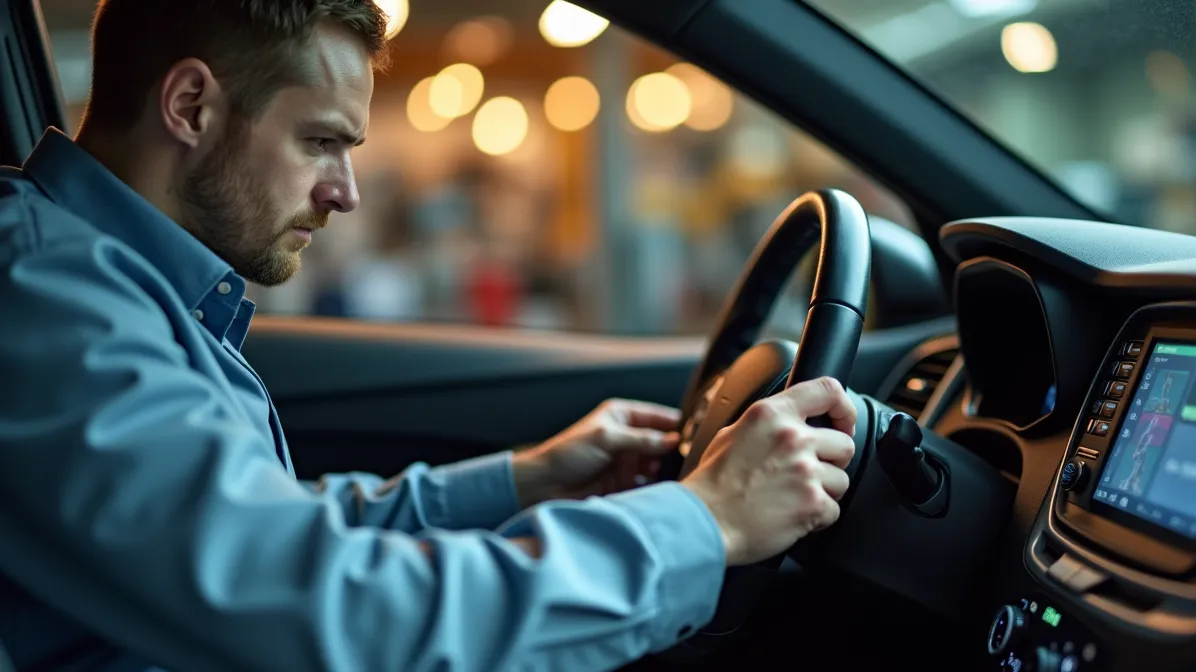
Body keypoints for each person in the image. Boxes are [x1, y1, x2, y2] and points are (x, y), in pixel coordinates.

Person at [0, 2, 858, 671]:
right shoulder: (51, 305)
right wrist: (707, 522)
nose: (346, 193)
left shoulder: (116, 286)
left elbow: (270, 535)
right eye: (320, 141)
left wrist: (524, 481)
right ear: (191, 106)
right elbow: (333, 610)